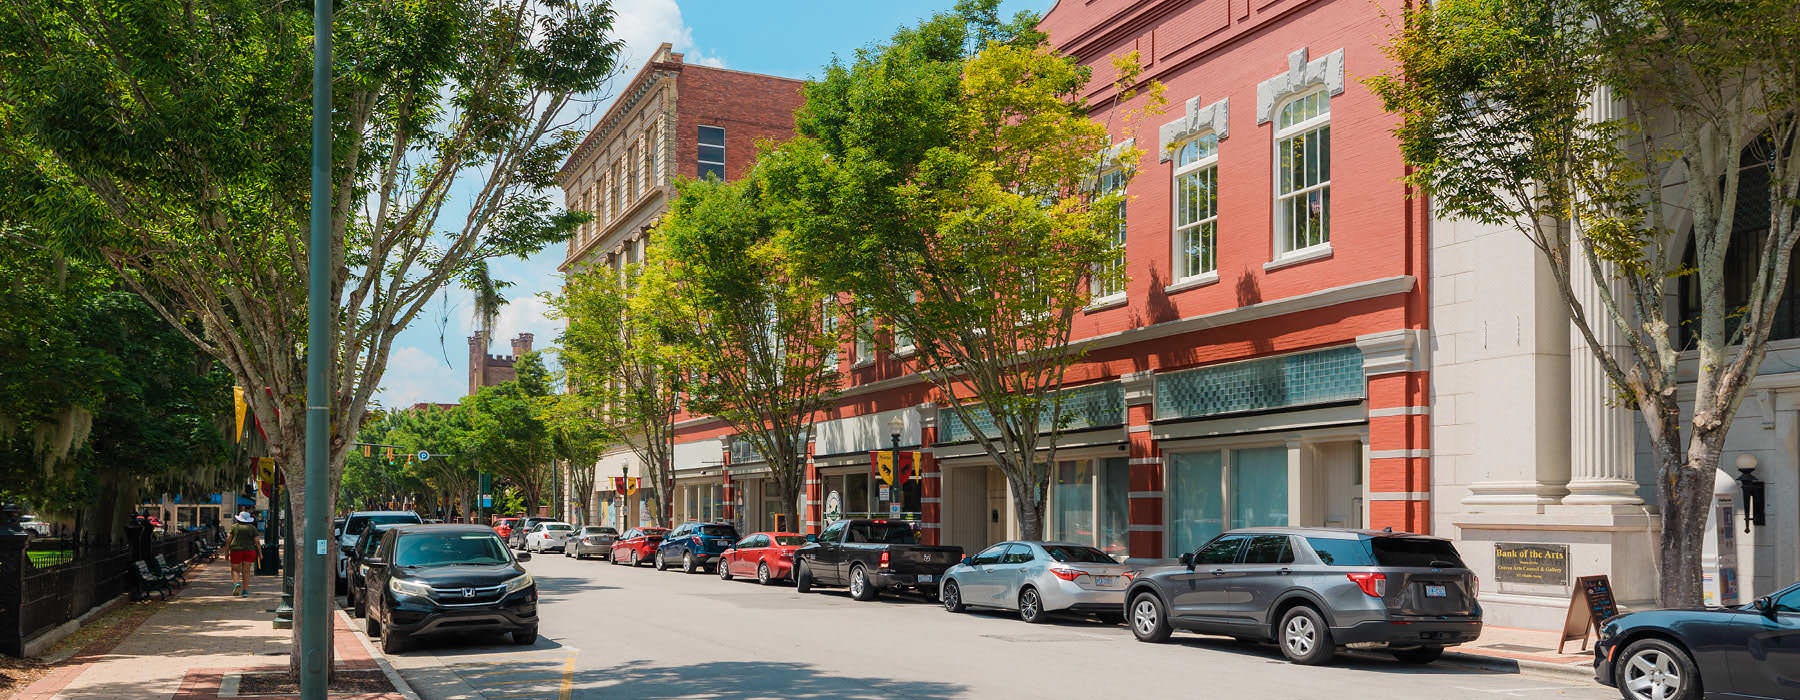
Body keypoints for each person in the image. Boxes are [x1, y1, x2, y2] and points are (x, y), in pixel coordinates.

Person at [226, 511, 261, 597]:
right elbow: (257, 542)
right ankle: (245, 591)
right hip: (250, 551)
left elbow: (228, 540)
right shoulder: (252, 528)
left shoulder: (234, 527)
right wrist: (260, 553)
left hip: (236, 550)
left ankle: (237, 584)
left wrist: (226, 551)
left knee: (235, 569)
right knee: (246, 571)